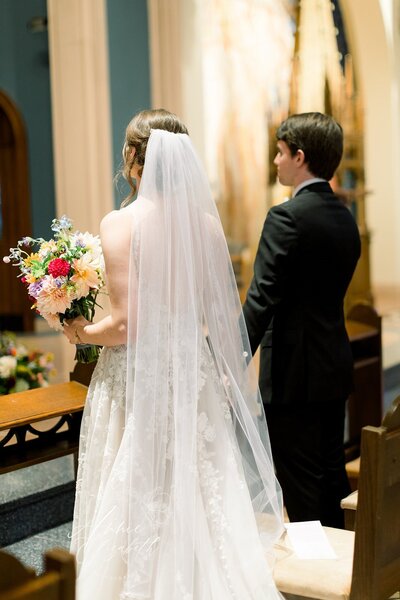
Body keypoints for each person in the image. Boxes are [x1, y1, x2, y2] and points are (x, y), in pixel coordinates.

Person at [63, 109, 284, 599]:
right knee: (202, 488)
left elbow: (125, 325)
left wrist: (81, 332)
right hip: (192, 370)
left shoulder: (120, 223)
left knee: (139, 488)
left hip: (137, 377)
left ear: (133, 159)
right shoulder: (204, 225)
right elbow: (214, 313)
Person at [242, 112, 361, 528]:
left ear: (300, 156)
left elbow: (261, 298)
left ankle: (320, 586)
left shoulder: (287, 217)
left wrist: (229, 355)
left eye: (279, 153)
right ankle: (348, 570)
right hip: (332, 366)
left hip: (295, 377)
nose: (275, 161)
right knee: (329, 477)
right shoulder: (344, 216)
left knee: (302, 490)